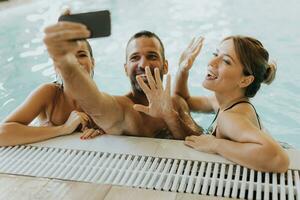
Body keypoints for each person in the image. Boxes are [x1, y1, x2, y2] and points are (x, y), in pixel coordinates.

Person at [136, 35, 289, 172]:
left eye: (226, 61)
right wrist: (183, 69)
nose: (211, 62)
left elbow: (279, 159)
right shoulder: (226, 102)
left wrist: (216, 145)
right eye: (216, 54)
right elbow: (184, 100)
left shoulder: (231, 117)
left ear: (245, 80)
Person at [42, 18, 202, 139]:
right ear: (125, 69)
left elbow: (200, 139)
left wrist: (170, 116)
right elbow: (94, 102)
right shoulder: (124, 108)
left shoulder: (177, 103)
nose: (143, 64)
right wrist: (66, 61)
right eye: (134, 58)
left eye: (152, 56)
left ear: (165, 66)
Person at [0, 39, 105, 147]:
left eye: (82, 55)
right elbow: (1, 134)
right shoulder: (49, 94)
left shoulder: (100, 105)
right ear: (56, 67)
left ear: (92, 62)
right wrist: (64, 129)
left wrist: (100, 133)